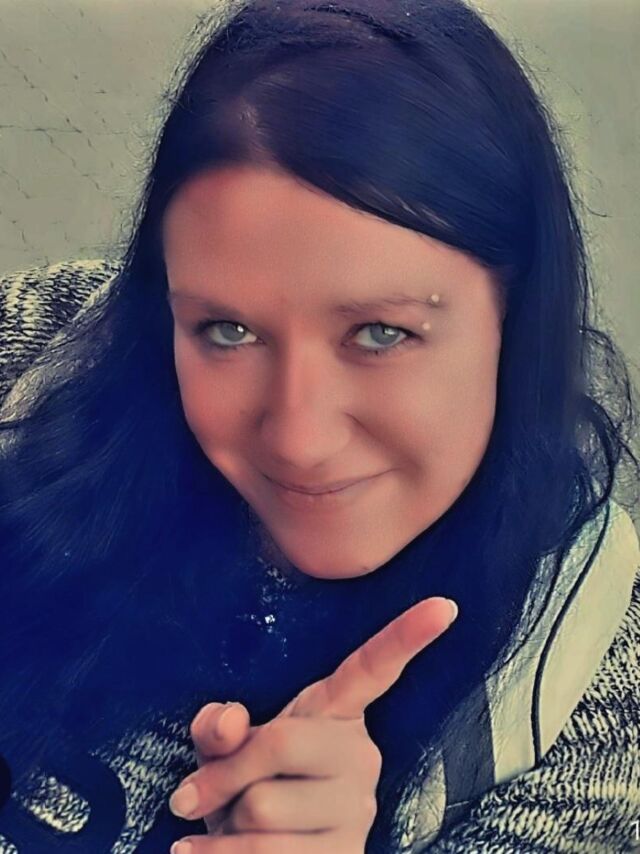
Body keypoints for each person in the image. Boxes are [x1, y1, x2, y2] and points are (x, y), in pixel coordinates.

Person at [0, 0, 638, 851]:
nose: (298, 439)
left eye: (381, 334)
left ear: (515, 319)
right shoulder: (35, 357)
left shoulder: (581, 685)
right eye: (227, 330)